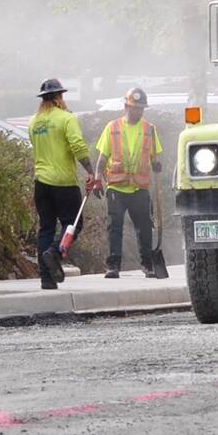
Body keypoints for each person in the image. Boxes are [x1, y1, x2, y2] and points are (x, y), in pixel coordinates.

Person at [30, 78, 99, 290]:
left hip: (41, 183)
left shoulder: (34, 122)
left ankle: (46, 279)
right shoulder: (66, 119)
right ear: (60, 97)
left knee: (46, 227)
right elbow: (77, 145)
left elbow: (36, 147)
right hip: (63, 183)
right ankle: (56, 252)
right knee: (73, 223)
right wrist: (91, 171)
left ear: (43, 99)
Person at [96, 86, 166, 278]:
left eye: (142, 108)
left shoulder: (149, 130)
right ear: (126, 106)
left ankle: (147, 264)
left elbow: (154, 157)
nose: (139, 111)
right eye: (136, 108)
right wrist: (97, 178)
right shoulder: (112, 128)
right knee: (114, 227)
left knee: (144, 227)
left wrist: (157, 164)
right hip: (116, 188)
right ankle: (113, 265)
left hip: (139, 188)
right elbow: (102, 158)